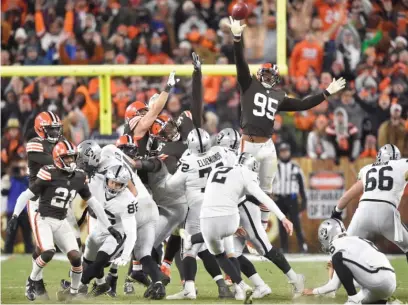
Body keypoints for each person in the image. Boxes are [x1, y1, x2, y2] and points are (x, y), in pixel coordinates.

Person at [227, 16, 345, 230]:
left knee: (266, 187)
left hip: (267, 145)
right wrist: (237, 38)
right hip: (248, 143)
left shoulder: (279, 96)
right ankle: (235, 225)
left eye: (272, 74)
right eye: (266, 73)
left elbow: (302, 104)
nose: (268, 77)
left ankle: (261, 229)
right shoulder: (248, 84)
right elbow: (240, 62)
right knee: (240, 186)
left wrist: (326, 92)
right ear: (259, 74)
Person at [7, 140, 121, 301]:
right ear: (57, 158)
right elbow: (27, 195)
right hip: (44, 219)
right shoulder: (48, 173)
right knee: (48, 252)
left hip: (61, 222)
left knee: (76, 258)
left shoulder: (79, 177)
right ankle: (32, 281)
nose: (70, 161)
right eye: (66, 158)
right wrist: (15, 216)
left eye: (72, 157)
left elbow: (93, 203)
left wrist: (109, 227)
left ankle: (73, 293)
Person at [199, 152, 294, 303]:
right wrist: (283, 218)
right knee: (236, 253)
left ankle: (242, 287)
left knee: (233, 253)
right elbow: (263, 198)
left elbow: (218, 196)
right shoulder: (246, 173)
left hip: (211, 216)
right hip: (232, 216)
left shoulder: (218, 170)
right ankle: (259, 286)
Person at [164, 128, 235, 300]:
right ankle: (224, 286)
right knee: (208, 247)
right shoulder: (220, 152)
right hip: (220, 202)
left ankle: (189, 288)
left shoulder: (189, 162)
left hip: (198, 207)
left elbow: (171, 186)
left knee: (189, 248)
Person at [331, 144, 408, 262]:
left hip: (363, 212)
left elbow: (350, 194)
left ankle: (333, 280)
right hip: (387, 212)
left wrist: (336, 212)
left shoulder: (367, 169)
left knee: (344, 251)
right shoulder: (402, 164)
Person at [72, 165, 137, 298]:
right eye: (112, 182)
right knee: (88, 259)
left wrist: (125, 255)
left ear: (124, 185)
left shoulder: (128, 200)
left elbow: (131, 232)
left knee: (100, 261)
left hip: (116, 235)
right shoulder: (97, 184)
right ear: (107, 179)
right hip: (100, 228)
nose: (113, 186)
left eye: (118, 184)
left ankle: (78, 286)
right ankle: (101, 284)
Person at [303, 219, 396, 304]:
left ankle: (353, 298)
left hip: (376, 279)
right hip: (389, 280)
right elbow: (354, 280)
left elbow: (333, 286)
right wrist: (333, 271)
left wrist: (313, 291)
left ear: (326, 235)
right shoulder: (355, 240)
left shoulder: (336, 245)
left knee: (337, 258)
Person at [274, 143, 308, 253]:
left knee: (296, 224)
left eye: (286, 151)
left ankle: (302, 246)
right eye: (282, 151)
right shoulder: (274, 167)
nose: (284, 153)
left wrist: (304, 200)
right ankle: (284, 248)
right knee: (282, 225)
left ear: (289, 152)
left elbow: (302, 185)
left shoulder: (296, 167)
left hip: (292, 199)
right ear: (279, 153)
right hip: (279, 199)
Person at [3, 158, 33, 254]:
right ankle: (7, 254)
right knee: (10, 236)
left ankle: (29, 254)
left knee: (27, 236)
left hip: (24, 211)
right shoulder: (9, 179)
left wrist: (24, 174)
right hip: (12, 211)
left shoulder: (27, 180)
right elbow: (4, 192)